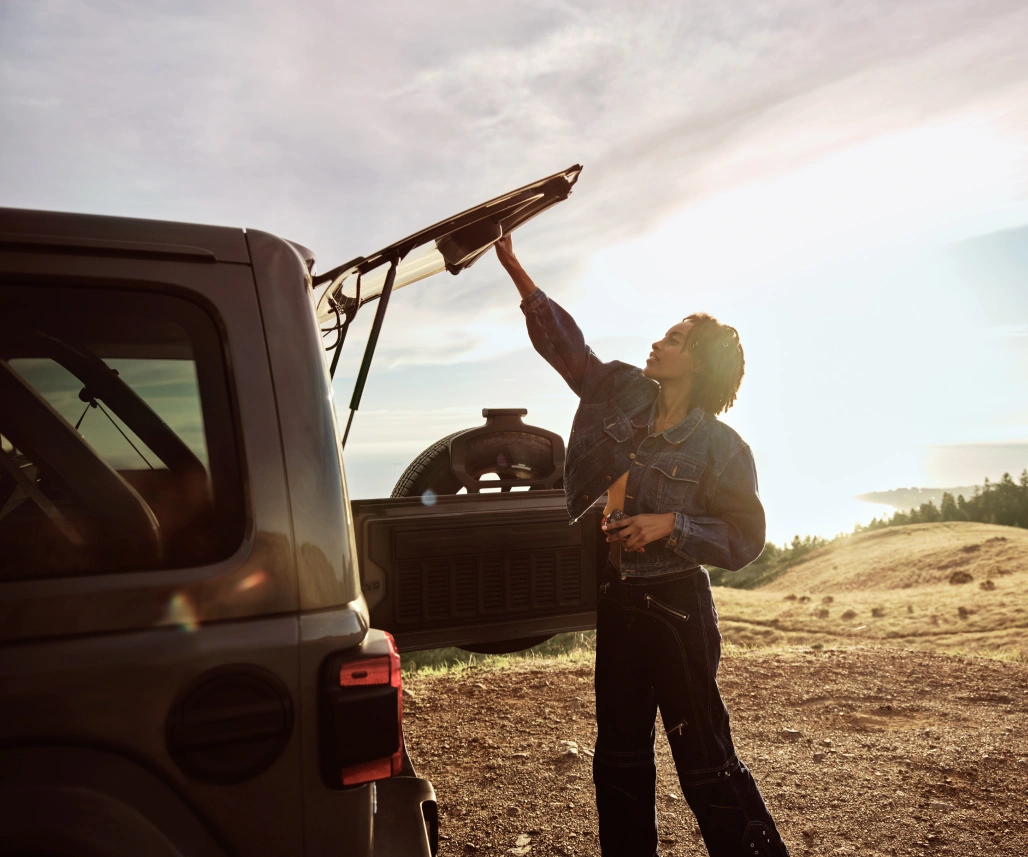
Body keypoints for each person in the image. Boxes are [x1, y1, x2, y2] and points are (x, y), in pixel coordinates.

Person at [495, 234, 790, 857]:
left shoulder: (722, 448)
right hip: (618, 599)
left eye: (675, 339)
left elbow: (746, 536)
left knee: (704, 756)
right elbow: (567, 350)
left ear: (700, 363)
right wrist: (518, 272)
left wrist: (670, 526)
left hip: (677, 606)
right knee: (620, 758)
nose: (658, 342)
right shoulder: (622, 390)